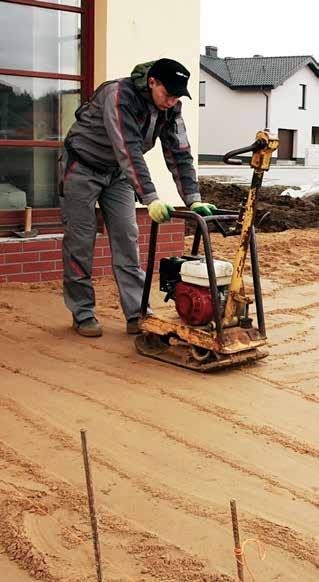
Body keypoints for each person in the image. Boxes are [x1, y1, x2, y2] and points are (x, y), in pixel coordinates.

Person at [59, 58, 216, 337]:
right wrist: (151, 197)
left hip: (117, 174)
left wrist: (193, 198)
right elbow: (128, 149)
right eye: (168, 94)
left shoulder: (171, 107)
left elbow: (179, 152)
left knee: (127, 239)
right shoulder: (119, 96)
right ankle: (83, 313)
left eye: (177, 96)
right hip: (81, 167)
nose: (171, 101)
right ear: (152, 82)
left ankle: (137, 313)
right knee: (80, 242)